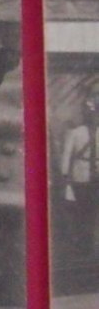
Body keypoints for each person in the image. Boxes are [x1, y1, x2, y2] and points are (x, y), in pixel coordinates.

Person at [58, 90, 99, 265]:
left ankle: (88, 246)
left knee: (87, 213)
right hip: (87, 178)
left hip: (88, 177)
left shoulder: (77, 132)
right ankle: (87, 246)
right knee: (87, 213)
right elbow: (66, 157)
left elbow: (67, 157)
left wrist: (65, 176)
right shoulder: (80, 133)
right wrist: (66, 176)